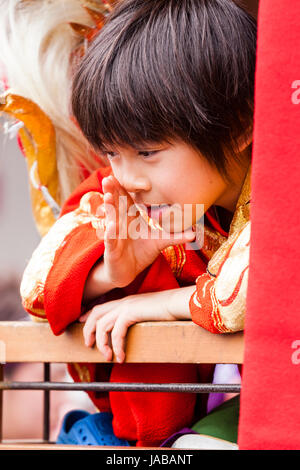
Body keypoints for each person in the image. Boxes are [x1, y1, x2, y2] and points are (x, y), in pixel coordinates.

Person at [20, 0, 256, 447]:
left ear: (240, 124)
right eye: (112, 152)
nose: (127, 177)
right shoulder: (130, 190)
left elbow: (250, 292)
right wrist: (113, 272)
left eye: (148, 152)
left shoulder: (286, 179)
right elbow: (36, 286)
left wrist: (154, 305)